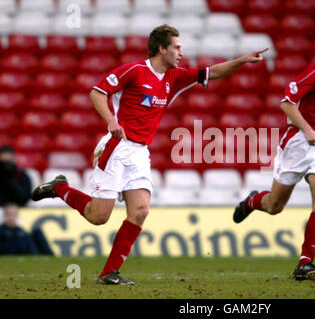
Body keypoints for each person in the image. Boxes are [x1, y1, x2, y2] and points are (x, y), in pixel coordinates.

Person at [31, 24, 268, 285]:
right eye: (176, 47)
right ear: (161, 48)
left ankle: (109, 273)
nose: (181, 52)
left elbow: (211, 73)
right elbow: (97, 92)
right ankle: (61, 188)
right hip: (117, 147)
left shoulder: (174, 77)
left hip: (140, 152)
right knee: (99, 217)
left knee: (141, 211)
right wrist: (112, 120)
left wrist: (243, 61)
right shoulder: (134, 71)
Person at [232, 35, 315, 281]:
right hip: (297, 141)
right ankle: (253, 201)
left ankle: (305, 262)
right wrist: (306, 129)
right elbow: (286, 103)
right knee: (275, 206)